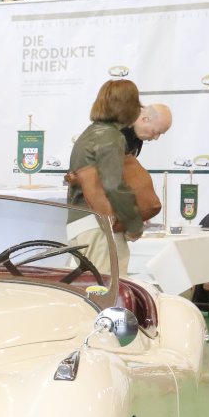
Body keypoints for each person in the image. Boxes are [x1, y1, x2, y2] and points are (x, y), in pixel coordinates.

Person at [66, 78, 142, 278]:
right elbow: (113, 185)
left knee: (92, 288)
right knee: (108, 290)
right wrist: (134, 224)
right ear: (129, 106)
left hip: (79, 225)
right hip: (99, 227)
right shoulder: (111, 137)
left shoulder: (88, 134)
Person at [123, 102, 172, 226]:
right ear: (145, 119)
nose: (156, 138)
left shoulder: (137, 135)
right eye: (156, 132)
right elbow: (112, 180)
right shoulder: (117, 134)